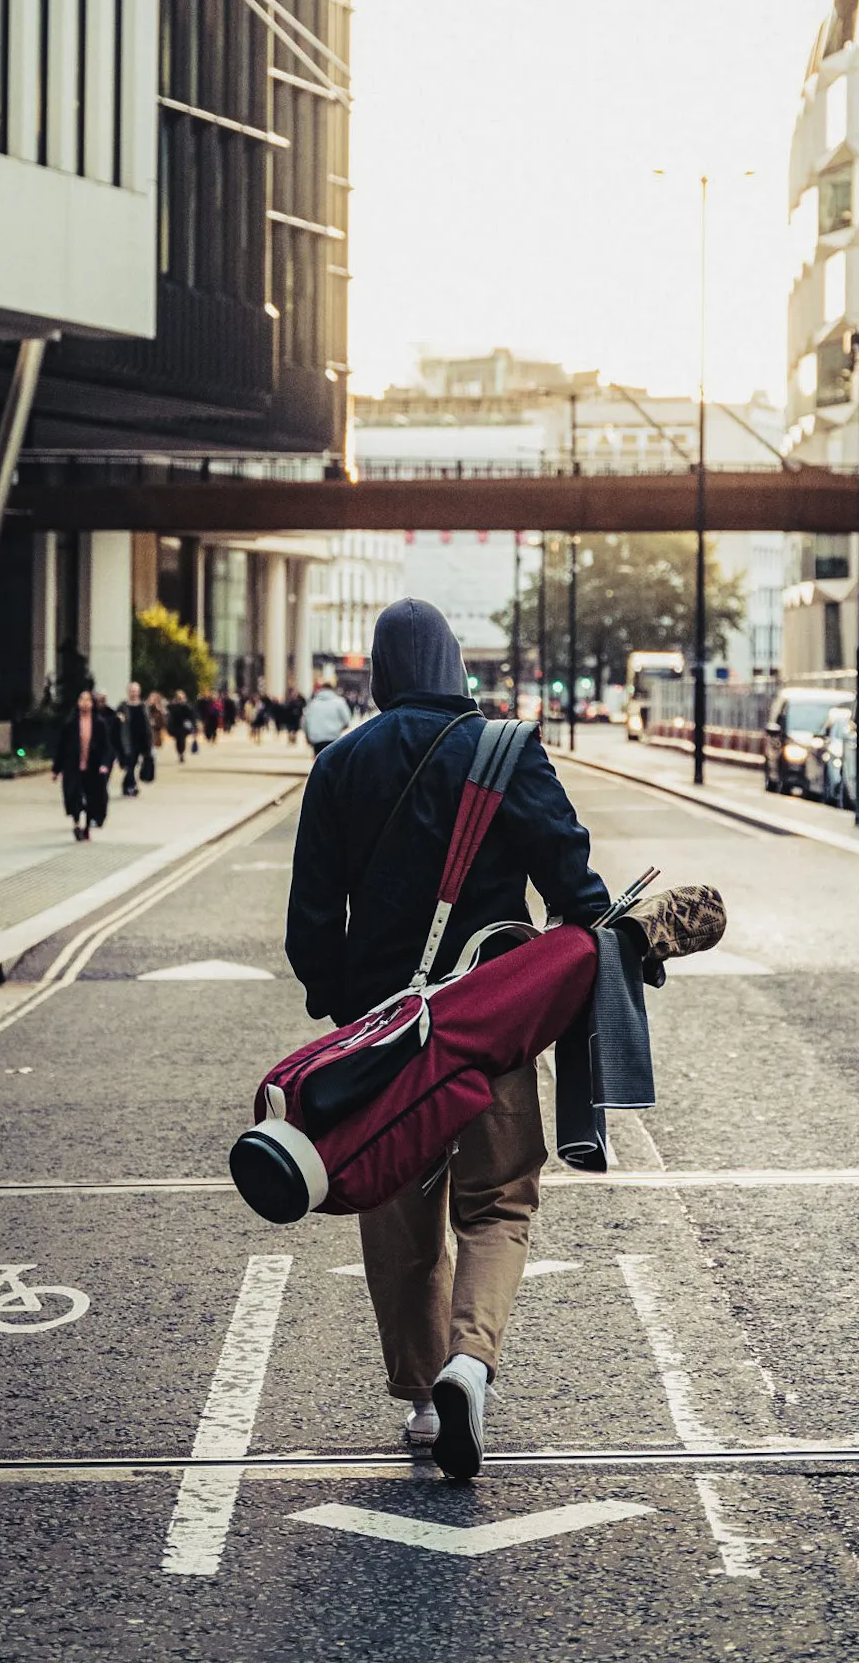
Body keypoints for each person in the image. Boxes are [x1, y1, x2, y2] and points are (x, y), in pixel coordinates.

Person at [286, 598, 609, 1480]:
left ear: (384, 672)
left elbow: (310, 925)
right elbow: (576, 890)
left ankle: (427, 1400)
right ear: (454, 664)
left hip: (382, 1041)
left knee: (398, 1217)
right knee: (498, 1202)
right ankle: (473, 1362)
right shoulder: (505, 750)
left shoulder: (338, 764)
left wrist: (344, 1010)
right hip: (486, 1026)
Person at [53, 689, 113, 840]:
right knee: (74, 796)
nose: (84, 703)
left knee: (91, 798)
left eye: (88, 700)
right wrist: (56, 769)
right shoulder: (70, 723)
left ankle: (87, 826)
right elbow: (61, 747)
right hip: (73, 767)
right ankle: (76, 823)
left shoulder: (99, 723)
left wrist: (104, 764)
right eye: (82, 700)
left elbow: (106, 746)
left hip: (92, 768)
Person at [117, 682, 153, 795]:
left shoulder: (143, 706)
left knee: (135, 763)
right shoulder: (123, 706)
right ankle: (131, 786)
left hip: (142, 740)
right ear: (128, 692)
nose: (133, 693)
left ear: (139, 692)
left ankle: (127, 785)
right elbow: (117, 723)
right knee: (131, 763)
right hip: (128, 739)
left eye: (135, 690)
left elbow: (148, 724)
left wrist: (149, 740)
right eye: (131, 690)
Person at [302, 678, 352, 755]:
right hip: (334, 738)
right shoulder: (339, 702)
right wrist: (340, 728)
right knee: (332, 762)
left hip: (317, 739)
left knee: (319, 762)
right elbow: (347, 720)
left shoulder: (312, 703)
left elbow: (305, 721)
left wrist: (308, 736)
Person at [167, 689, 198, 761]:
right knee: (178, 740)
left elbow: (191, 714)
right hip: (176, 725)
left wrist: (194, 725)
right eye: (178, 697)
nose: (179, 699)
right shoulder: (174, 705)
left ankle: (182, 753)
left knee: (182, 739)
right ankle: (180, 752)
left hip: (184, 726)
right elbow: (170, 713)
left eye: (181, 697)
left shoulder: (187, 705)